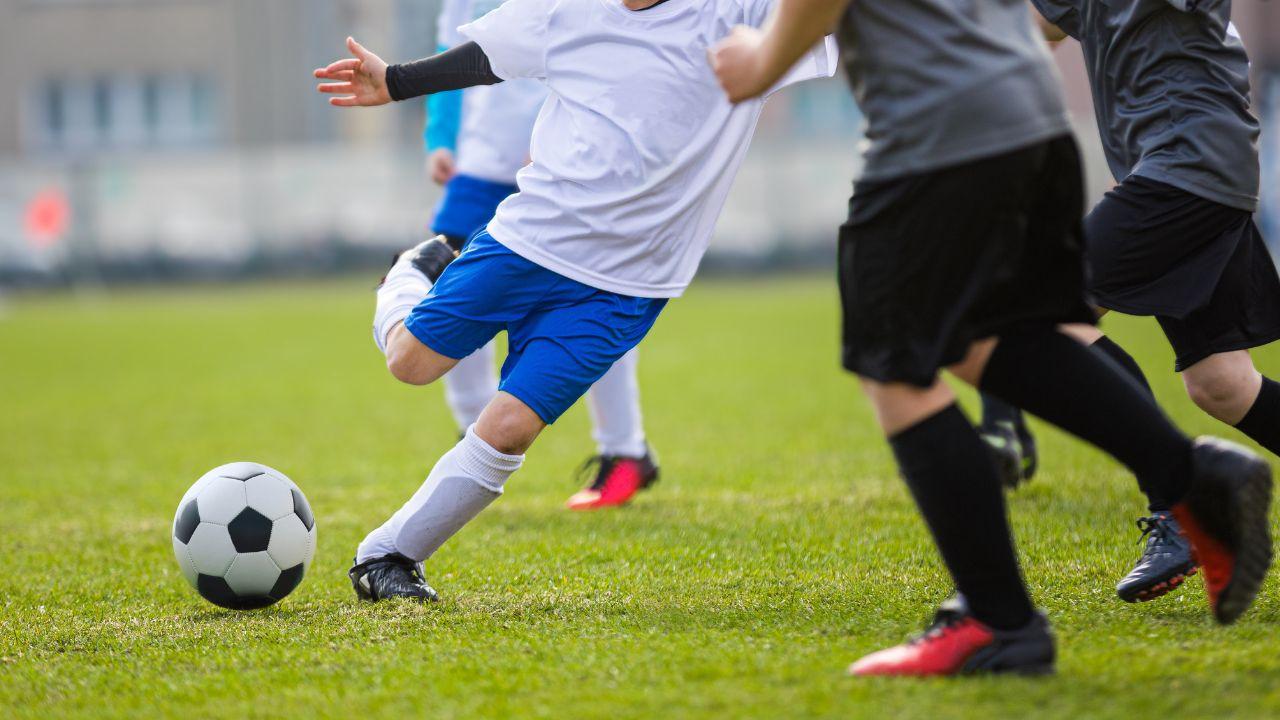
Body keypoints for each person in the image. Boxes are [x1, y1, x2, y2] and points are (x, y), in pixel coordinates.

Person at [710, 0, 1273, 677]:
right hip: (1030, 119)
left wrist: (764, 58)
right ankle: (1194, 480)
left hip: (948, 132)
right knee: (995, 338)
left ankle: (1002, 616)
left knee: (896, 364)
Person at [313, 0, 837, 602]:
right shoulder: (561, 8)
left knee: (508, 430)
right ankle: (411, 273)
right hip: (531, 239)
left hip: (630, 284)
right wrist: (398, 81)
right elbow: (489, 58)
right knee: (411, 363)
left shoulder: (740, 10)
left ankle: (387, 556)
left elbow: (834, 20)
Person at [977, 0, 1280, 606]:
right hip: (1181, 173)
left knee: (1042, 312)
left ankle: (1179, 504)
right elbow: (1030, 29)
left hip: (1190, 166)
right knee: (1220, 383)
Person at [421, 0, 659, 511]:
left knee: (597, 301)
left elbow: (606, 53)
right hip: (481, 168)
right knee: (446, 294)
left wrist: (559, 137)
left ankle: (625, 449)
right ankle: (472, 433)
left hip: (570, 168)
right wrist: (440, 138)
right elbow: (452, 52)